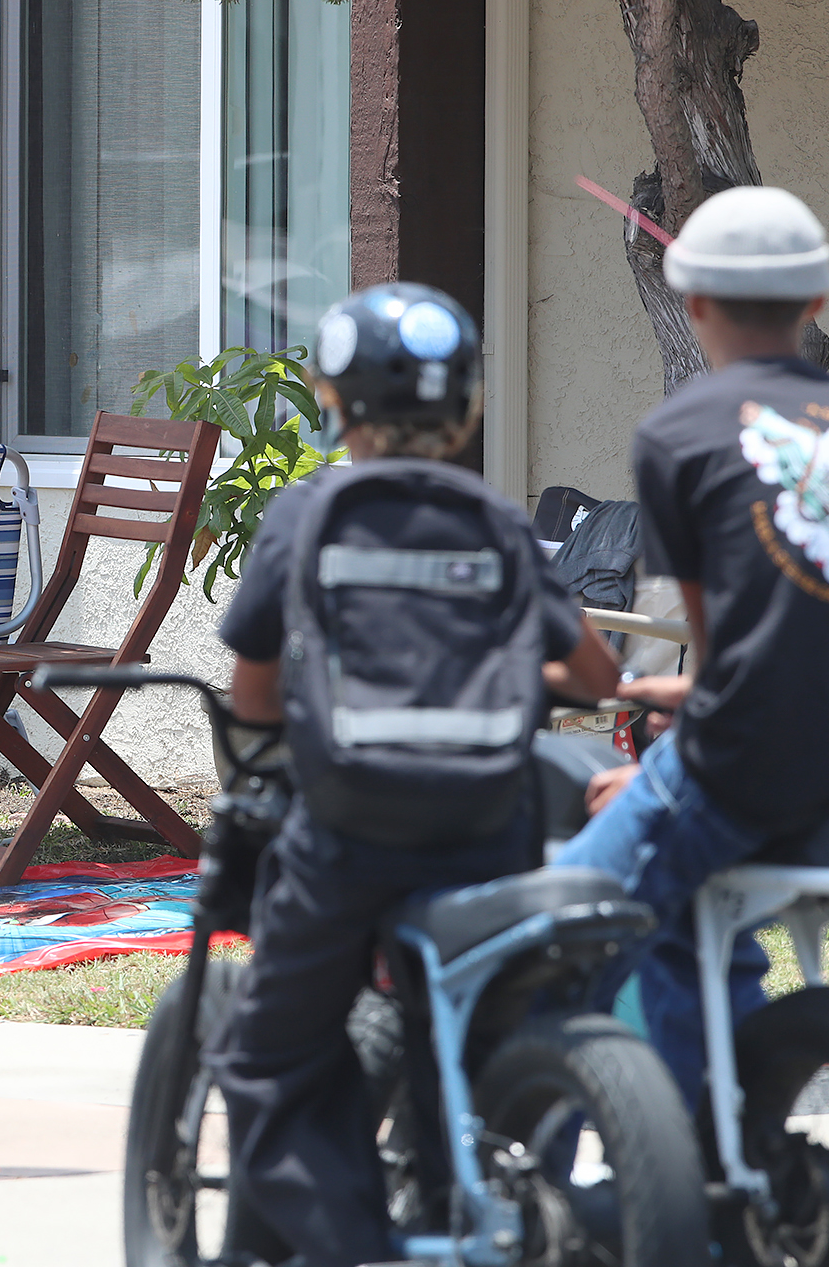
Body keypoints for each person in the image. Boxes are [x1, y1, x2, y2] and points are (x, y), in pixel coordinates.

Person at [206, 282, 622, 1267]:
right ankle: (475, 1203)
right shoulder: (492, 520)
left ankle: (358, 1245)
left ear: (329, 399)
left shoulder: (307, 515)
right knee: (472, 1046)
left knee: (269, 1057)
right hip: (487, 831)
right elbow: (595, 674)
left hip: (344, 835)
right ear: (465, 407)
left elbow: (254, 696)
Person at [550, 185, 829, 1112]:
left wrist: (669, 760)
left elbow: (713, 642)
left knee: (551, 941)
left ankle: (540, 1211)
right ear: (817, 304)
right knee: (690, 933)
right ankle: (717, 1137)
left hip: (748, 760)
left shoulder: (680, 432)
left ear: (690, 304)